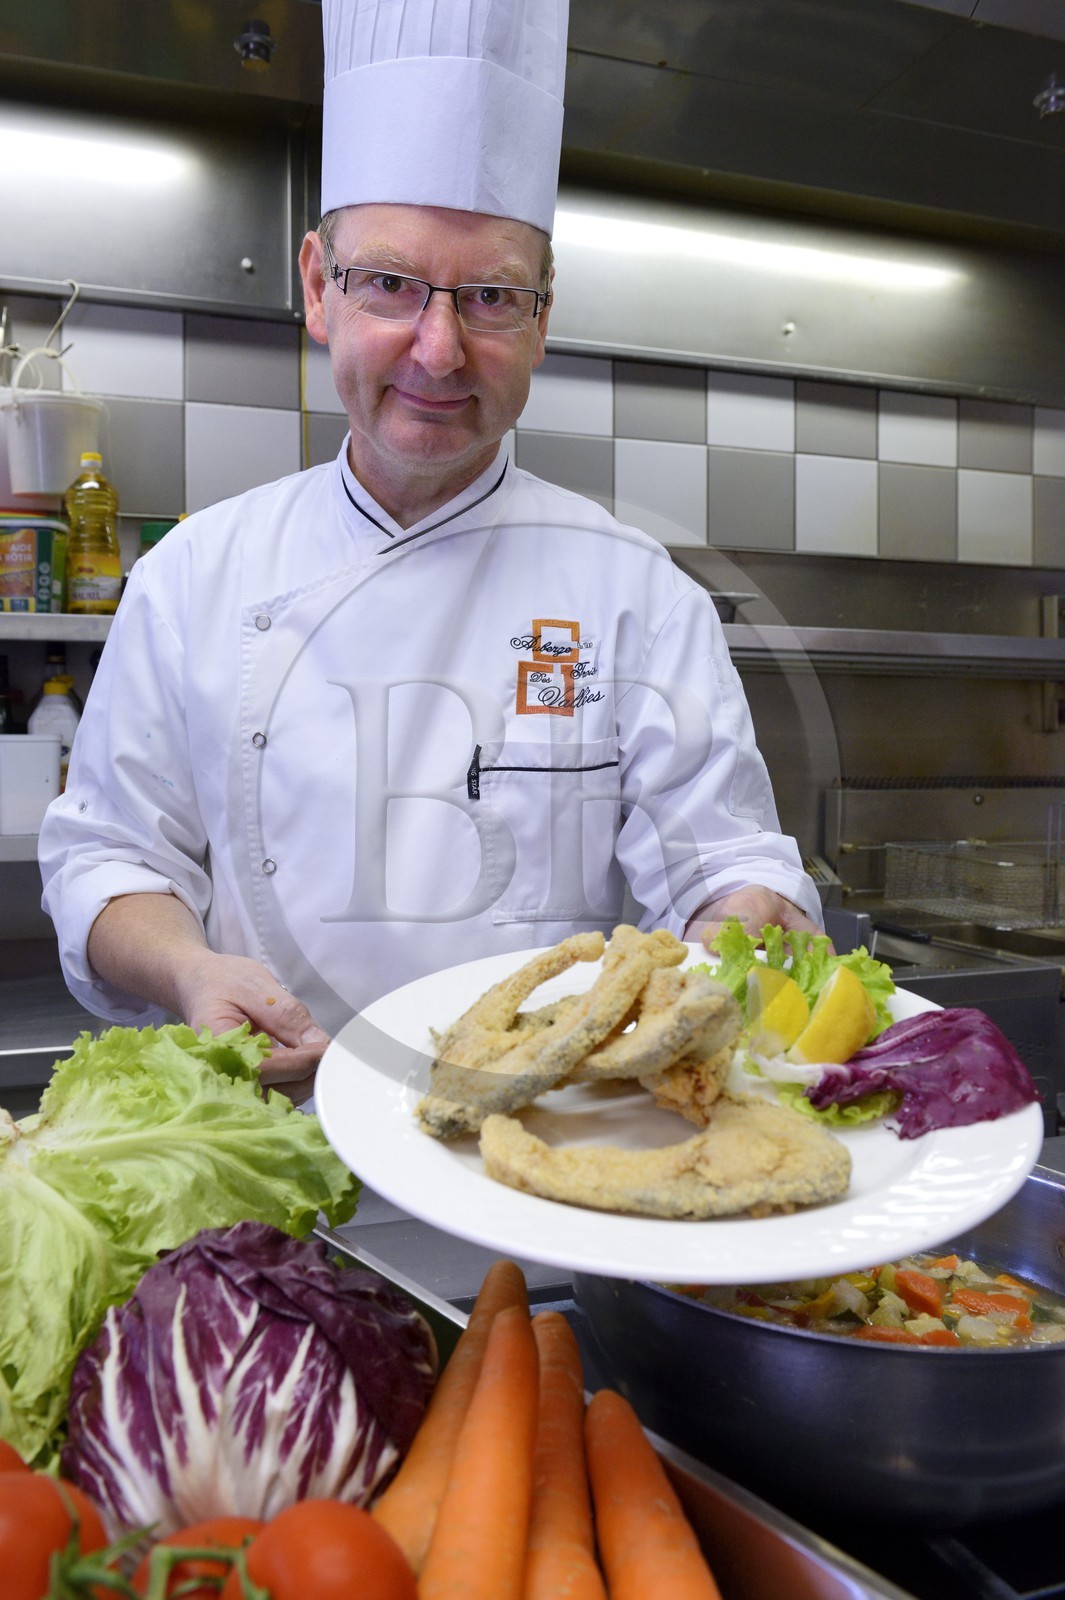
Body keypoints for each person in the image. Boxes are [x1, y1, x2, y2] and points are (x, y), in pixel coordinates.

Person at [38, 0, 821, 1104]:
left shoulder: (637, 595)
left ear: (543, 320)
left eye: (493, 296)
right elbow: (108, 858)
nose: (439, 348)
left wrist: (738, 928)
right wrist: (190, 964)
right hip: (276, 1158)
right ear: (318, 286)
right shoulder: (193, 578)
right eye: (392, 284)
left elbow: (729, 868)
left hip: (553, 1170)